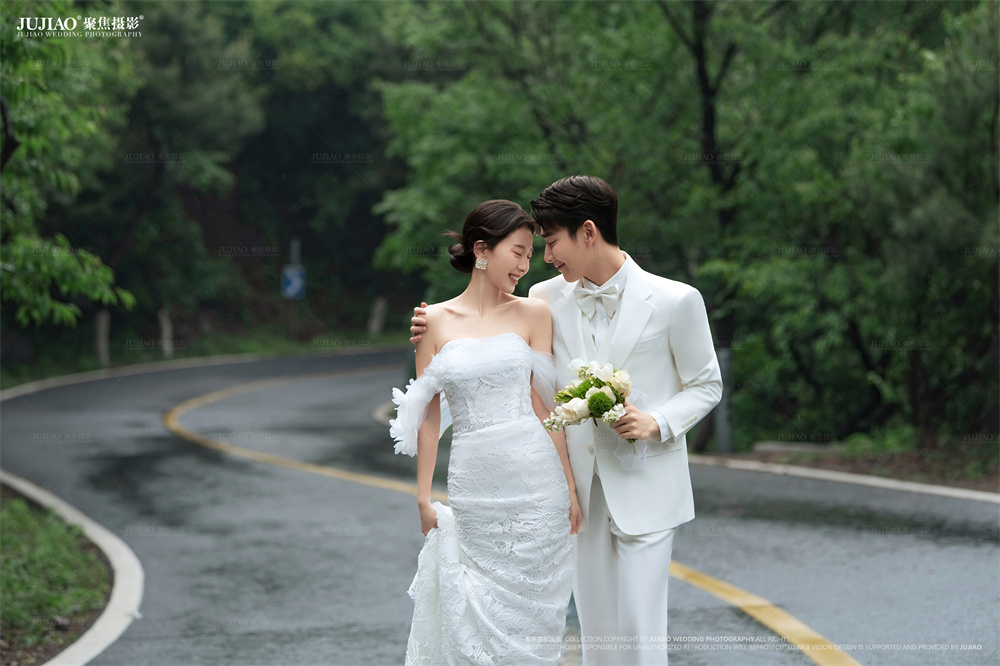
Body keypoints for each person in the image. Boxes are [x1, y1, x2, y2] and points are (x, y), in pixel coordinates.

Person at [411, 176, 723, 665]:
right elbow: (508, 360)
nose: (545, 257)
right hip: (575, 488)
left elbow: (706, 385)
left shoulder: (676, 300)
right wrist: (432, 328)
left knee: (641, 631)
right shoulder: (545, 297)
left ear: (589, 232)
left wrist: (657, 422)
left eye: (552, 242)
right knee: (598, 636)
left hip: (647, 484)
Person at [389, 199, 582, 665]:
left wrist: (571, 488)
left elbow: (544, 405)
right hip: (474, 487)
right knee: (475, 609)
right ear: (481, 250)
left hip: (538, 488)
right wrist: (422, 496)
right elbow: (429, 414)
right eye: (517, 252)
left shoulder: (534, 314)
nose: (525, 265)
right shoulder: (433, 320)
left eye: (530, 254)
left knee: (535, 618)